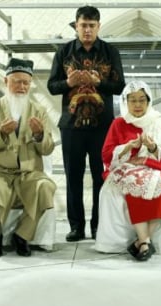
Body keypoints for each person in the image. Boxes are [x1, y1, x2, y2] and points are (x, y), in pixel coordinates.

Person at [47, 5, 125, 242]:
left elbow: (120, 86)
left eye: (92, 26)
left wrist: (98, 82)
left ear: (99, 26)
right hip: (72, 125)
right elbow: (52, 86)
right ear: (76, 26)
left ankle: (98, 226)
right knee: (73, 177)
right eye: (83, 25)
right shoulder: (64, 52)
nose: (88, 30)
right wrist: (69, 83)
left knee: (101, 176)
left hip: (103, 126)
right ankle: (76, 227)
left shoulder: (110, 52)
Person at [0, 57, 56, 258]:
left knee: (45, 186)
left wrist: (39, 135)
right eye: (17, 81)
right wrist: (0, 134)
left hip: (28, 173)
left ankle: (23, 235)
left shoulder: (39, 111)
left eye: (26, 83)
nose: (22, 86)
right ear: (6, 82)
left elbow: (47, 149)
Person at [95, 81, 161, 261]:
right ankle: (144, 241)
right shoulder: (118, 123)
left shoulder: (159, 122)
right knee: (135, 184)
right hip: (127, 167)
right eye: (133, 100)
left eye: (142, 100)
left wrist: (153, 147)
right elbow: (106, 154)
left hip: (154, 166)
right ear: (126, 102)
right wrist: (128, 147)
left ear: (148, 101)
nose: (138, 105)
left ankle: (141, 241)